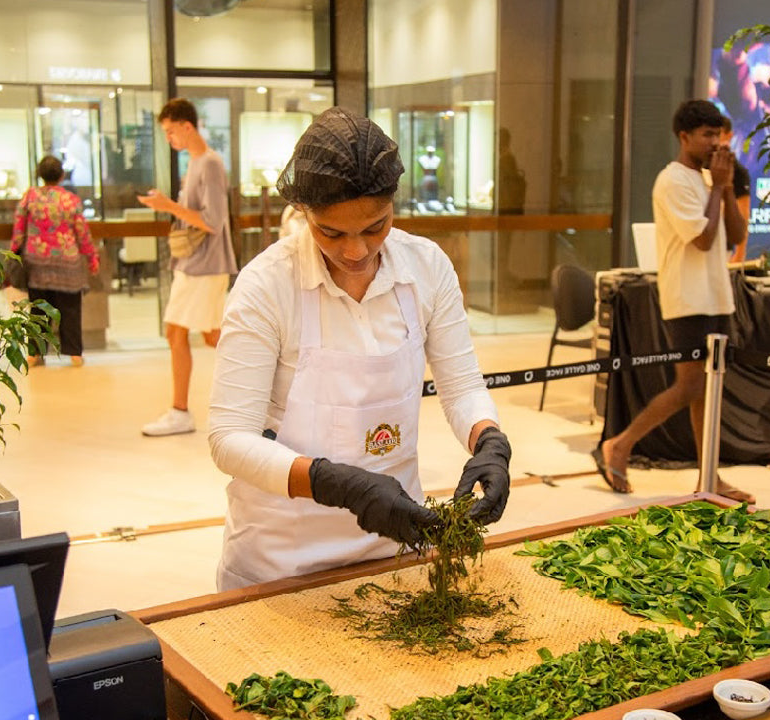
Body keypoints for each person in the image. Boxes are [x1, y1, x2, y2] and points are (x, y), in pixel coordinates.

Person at [207, 107, 512, 591]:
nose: (356, 251)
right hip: (282, 558)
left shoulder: (426, 268)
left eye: (375, 226)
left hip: (395, 548)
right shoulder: (267, 285)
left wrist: (489, 440)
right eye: (332, 232)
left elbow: (462, 387)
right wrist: (337, 483)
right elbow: (229, 438)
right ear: (304, 213)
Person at [594, 100, 754, 504]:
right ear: (684, 137)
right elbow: (701, 239)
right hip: (687, 298)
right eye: (706, 135)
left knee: (706, 391)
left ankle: (709, 477)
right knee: (689, 387)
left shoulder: (709, 179)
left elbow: (734, 235)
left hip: (717, 296)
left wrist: (727, 185)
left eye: (718, 134)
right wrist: (718, 186)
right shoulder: (672, 181)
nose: (714, 142)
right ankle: (620, 444)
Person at [138, 98, 239, 436]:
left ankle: (181, 411)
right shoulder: (196, 163)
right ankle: (260, 393)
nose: (170, 139)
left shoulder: (209, 163)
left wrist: (168, 206)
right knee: (211, 336)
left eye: (170, 132)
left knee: (178, 331)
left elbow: (213, 221)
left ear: (187, 126)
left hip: (205, 264)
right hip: (196, 263)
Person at [11, 155, 99, 367]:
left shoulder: (29, 197)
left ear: (40, 175)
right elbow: (82, 232)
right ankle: (75, 354)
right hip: (68, 263)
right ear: (61, 175)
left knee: (38, 309)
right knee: (70, 308)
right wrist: (91, 258)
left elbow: (18, 229)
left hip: (36, 262)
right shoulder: (71, 200)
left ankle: (35, 354)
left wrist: (13, 254)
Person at [719, 116, 751, 262]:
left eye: (717, 134)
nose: (713, 140)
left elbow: (743, 214)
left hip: (723, 247)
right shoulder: (699, 165)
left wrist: (739, 253)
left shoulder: (737, 172)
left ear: (729, 135)